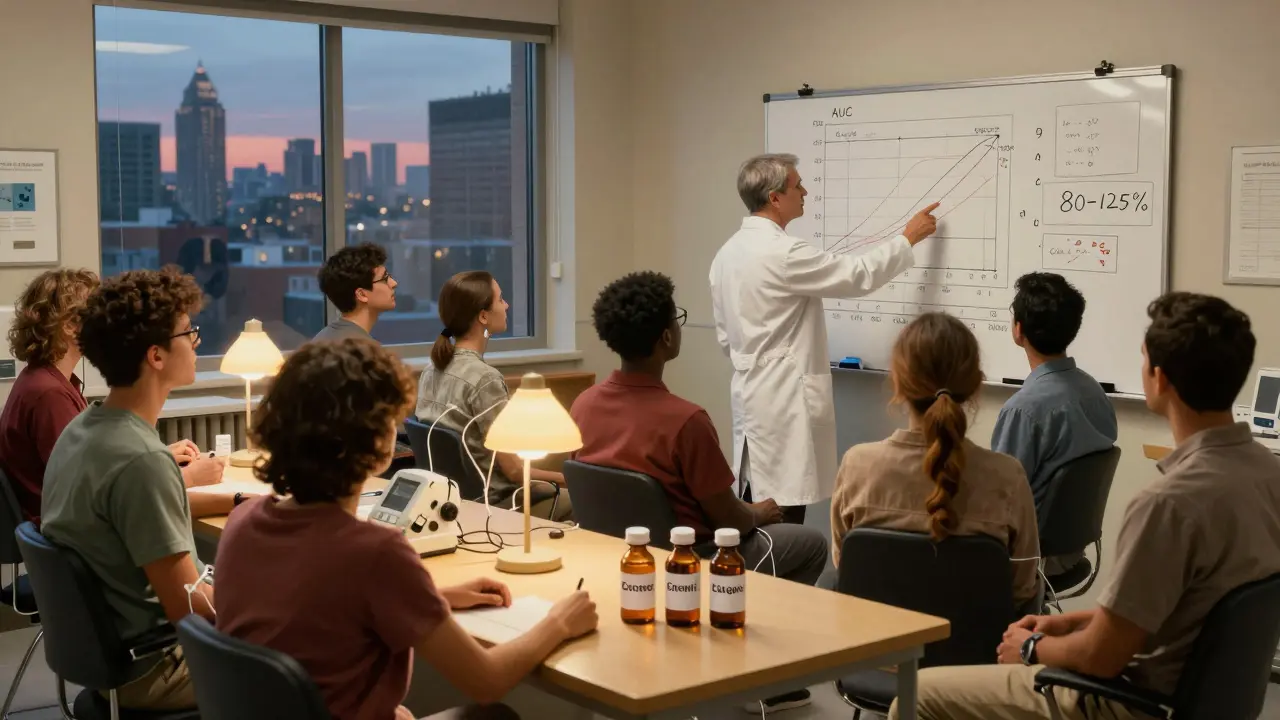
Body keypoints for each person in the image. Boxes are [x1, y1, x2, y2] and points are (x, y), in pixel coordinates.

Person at [890, 293, 1280, 720]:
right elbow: (1165, 610)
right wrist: (1067, 623)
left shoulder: (1168, 504)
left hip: (1131, 703)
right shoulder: (1266, 473)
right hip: (1202, 698)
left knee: (915, 695)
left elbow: (1102, 658)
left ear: (1159, 378)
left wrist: (1031, 648)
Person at [217, 338, 598, 720]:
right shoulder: (374, 553)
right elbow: (486, 681)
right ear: (379, 440)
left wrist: (432, 597)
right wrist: (558, 623)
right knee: (495, 715)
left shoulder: (242, 522)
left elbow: (317, 608)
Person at [571, 271, 827, 715]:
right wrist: (761, 512)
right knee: (810, 544)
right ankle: (755, 677)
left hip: (619, 558)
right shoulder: (686, 421)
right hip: (694, 560)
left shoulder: (584, 404)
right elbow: (729, 520)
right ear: (667, 336)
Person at [41, 268, 238, 711]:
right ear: (156, 356)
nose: (195, 342)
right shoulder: (142, 460)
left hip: (110, 657)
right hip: (155, 668)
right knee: (323, 649)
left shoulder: (81, 430)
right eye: (190, 333)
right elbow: (190, 607)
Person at [710, 153, 941, 523]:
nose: (805, 192)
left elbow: (725, 338)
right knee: (780, 518)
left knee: (758, 505)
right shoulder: (782, 253)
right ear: (774, 198)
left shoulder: (726, 254)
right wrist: (907, 238)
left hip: (752, 396)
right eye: (797, 185)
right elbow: (857, 275)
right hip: (782, 403)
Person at [831, 313, 1040, 610]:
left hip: (878, 651)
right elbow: (1021, 590)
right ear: (975, 385)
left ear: (898, 383)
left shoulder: (857, 466)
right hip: (980, 655)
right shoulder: (1008, 477)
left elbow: (847, 569)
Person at [0, 269, 223, 523]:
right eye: (95, 310)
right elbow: (93, 492)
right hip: (67, 537)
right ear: (70, 326)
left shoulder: (44, 381)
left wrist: (160, 459)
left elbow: (97, 470)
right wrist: (190, 476)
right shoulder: (48, 395)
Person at [416, 271, 570, 521]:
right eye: (500, 300)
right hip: (495, 504)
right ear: (483, 315)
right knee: (580, 501)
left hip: (454, 501)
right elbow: (514, 472)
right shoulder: (485, 379)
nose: (506, 305)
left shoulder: (430, 370)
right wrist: (565, 479)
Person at [991, 272, 1117, 575]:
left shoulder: (1023, 410)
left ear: (1018, 330)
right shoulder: (1094, 392)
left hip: (1026, 560)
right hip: (1071, 551)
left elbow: (999, 502)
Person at [313, 241, 397, 342]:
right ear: (361, 294)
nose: (394, 283)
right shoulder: (361, 350)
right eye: (384, 278)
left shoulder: (324, 337)